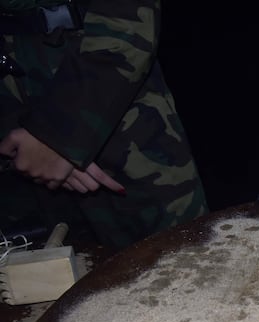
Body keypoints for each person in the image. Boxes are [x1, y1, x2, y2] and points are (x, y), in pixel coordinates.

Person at [0, 0, 208, 249]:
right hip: (15, 137)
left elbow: (128, 12)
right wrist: (19, 133)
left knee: (181, 258)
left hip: (110, 95)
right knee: (40, 275)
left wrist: (58, 133)